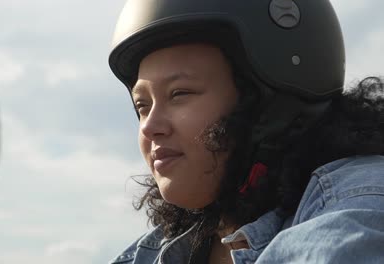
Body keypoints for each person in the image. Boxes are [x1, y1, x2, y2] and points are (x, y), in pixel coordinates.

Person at [108, 0, 384, 263]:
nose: (149, 126)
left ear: (271, 104)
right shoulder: (148, 253)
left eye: (179, 93)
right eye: (142, 105)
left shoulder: (361, 198)